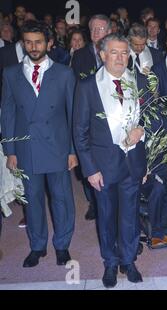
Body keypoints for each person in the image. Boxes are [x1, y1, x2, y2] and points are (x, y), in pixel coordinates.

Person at [1, 20, 77, 268]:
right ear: (23, 44)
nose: (33, 47)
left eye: (39, 42)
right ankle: (37, 246)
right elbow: (8, 114)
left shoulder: (64, 73)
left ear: (50, 43)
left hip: (57, 146)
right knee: (32, 199)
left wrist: (72, 151)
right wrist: (10, 151)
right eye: (29, 42)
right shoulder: (11, 73)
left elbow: (72, 115)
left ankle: (62, 245)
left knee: (61, 199)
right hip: (26, 148)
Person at [73, 33, 147, 288]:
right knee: (106, 217)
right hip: (103, 167)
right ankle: (111, 263)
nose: (120, 57)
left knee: (130, 215)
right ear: (102, 55)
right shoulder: (87, 86)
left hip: (133, 162)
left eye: (124, 53)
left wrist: (142, 132)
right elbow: (79, 133)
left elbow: (146, 117)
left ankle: (128, 259)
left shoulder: (137, 81)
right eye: (113, 52)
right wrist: (90, 169)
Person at [71, 14, 112, 221]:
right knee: (88, 158)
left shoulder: (117, 53)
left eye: (101, 29)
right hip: (88, 114)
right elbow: (77, 86)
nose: (96, 33)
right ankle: (92, 202)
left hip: (111, 115)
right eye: (93, 29)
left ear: (110, 31)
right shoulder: (79, 55)